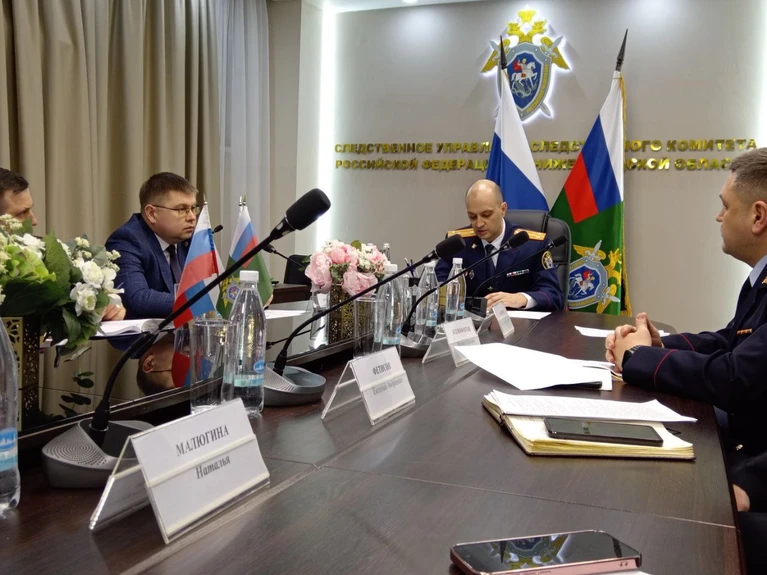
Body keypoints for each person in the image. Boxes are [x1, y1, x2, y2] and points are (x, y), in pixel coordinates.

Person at [605, 148, 767, 456]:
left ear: (758, 216)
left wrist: (638, 356)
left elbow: (736, 377)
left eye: (726, 206)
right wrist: (659, 346)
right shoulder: (760, 278)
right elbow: (730, 340)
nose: (719, 216)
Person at [0, 167, 125, 320]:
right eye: (21, 213)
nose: (34, 221)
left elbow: (75, 298)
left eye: (30, 210)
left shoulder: (42, 250)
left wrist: (108, 305)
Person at [435, 179, 564, 311]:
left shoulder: (532, 245)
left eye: (486, 215)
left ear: (503, 209)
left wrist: (521, 298)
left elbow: (553, 295)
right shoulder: (458, 244)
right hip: (470, 321)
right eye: (472, 217)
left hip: (519, 321)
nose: (479, 224)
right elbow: (437, 285)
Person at [106, 172, 198, 319]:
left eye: (193, 208)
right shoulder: (127, 240)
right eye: (181, 210)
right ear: (152, 213)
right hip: (147, 333)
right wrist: (198, 301)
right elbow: (137, 298)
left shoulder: (189, 239)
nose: (192, 217)